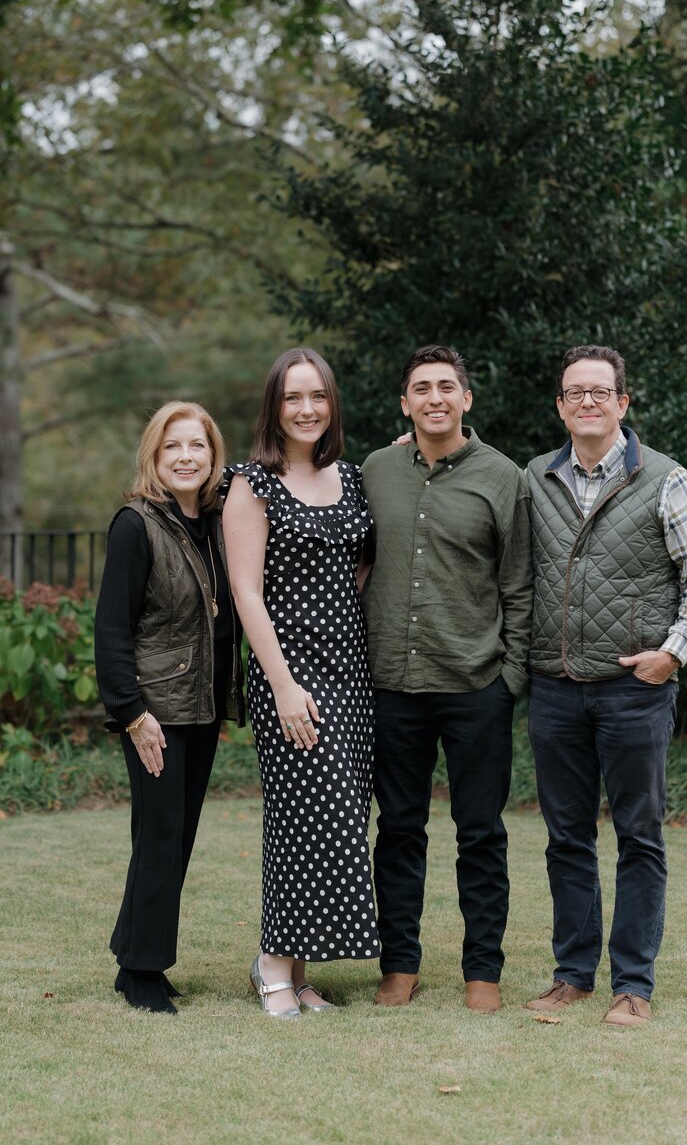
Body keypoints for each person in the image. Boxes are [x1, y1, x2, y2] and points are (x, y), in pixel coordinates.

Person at [524, 345, 687, 1028]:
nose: (587, 401)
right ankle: (572, 976)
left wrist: (673, 653)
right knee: (566, 839)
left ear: (622, 402)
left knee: (639, 837)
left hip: (634, 690)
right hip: (555, 688)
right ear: (560, 406)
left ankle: (633, 985)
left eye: (600, 391)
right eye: (575, 392)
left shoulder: (667, 480)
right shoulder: (534, 478)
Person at [361, 345, 533, 1014]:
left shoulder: (503, 477)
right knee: (399, 830)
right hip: (392, 684)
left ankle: (482, 971)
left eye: (445, 387)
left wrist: (509, 678)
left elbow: (518, 583)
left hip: (475, 685)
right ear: (405, 403)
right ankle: (399, 965)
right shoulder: (375, 471)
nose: (434, 397)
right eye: (421, 388)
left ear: (466, 398)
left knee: (480, 833)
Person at [222, 348, 379, 1019]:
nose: (307, 409)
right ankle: (271, 965)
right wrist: (283, 684)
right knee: (300, 816)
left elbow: (358, 570)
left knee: (339, 817)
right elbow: (245, 592)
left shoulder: (352, 477)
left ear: (332, 403)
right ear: (274, 407)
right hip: (289, 673)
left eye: (318, 396)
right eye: (293, 398)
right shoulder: (251, 483)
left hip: (350, 673)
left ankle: (299, 968)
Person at [95, 401, 244, 1014]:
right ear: (154, 457)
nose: (186, 457)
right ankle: (145, 974)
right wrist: (132, 713)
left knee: (175, 838)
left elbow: (277, 476)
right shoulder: (135, 525)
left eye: (197, 446)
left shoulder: (219, 518)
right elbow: (112, 628)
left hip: (201, 708)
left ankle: (132, 958)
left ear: (213, 456)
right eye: (172, 446)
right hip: (154, 712)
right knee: (159, 838)